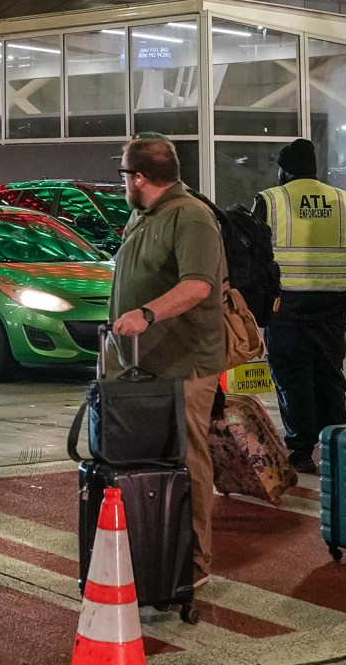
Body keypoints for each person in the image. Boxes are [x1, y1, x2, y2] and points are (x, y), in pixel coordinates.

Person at [107, 137, 226, 586]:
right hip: (143, 362)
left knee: (188, 459)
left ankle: (193, 563)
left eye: (124, 174)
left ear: (139, 178)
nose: (123, 182)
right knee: (151, 459)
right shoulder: (145, 216)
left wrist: (146, 313)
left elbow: (198, 286)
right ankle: (154, 547)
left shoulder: (191, 217)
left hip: (183, 364)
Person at [248, 139, 346, 471]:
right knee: (330, 375)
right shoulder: (345, 201)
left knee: (292, 378)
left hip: (284, 306)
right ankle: (338, 443)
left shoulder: (271, 200)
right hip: (333, 305)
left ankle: (302, 451)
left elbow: (256, 260)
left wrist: (259, 307)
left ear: (284, 169)